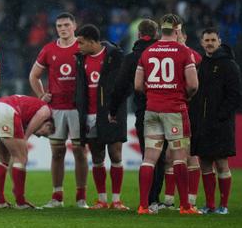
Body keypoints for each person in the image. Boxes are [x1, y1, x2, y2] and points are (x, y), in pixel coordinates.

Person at [134, 14, 199, 215]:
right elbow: (194, 85)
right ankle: (185, 206)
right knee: (180, 157)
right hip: (175, 111)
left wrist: (154, 93)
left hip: (152, 109)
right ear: (178, 30)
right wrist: (184, 96)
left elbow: (137, 85)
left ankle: (143, 206)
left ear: (162, 29)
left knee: (149, 158)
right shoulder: (183, 51)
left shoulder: (148, 51)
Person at [29, 12, 89, 208]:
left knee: (80, 152)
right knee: (57, 153)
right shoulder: (49, 49)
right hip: (56, 109)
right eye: (59, 26)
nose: (62, 29)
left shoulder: (82, 48)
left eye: (66, 25)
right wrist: (41, 95)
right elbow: (34, 76)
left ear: (74, 26)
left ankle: (81, 197)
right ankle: (57, 197)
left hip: (78, 109)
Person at [109, 19, 163, 209]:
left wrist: (113, 109)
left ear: (139, 35)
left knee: (149, 157)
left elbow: (121, 86)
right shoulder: (165, 54)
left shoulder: (133, 58)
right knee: (168, 158)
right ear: (157, 34)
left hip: (145, 112)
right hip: (172, 110)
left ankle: (148, 201)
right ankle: (163, 199)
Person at [74, 24, 129, 210]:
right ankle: (102, 199)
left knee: (115, 154)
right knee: (97, 156)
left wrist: (115, 109)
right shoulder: (81, 59)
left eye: (81, 43)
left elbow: (125, 85)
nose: (78, 47)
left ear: (91, 41)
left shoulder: (115, 56)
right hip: (89, 115)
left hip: (112, 114)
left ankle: (116, 200)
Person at [190, 28, 242, 214]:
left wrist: (220, 116)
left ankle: (224, 205)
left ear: (219, 41)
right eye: (207, 40)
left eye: (213, 39)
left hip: (220, 124)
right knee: (204, 163)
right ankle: (210, 205)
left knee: (221, 163)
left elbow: (235, 96)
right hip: (202, 124)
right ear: (202, 42)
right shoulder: (200, 64)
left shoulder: (229, 65)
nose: (210, 43)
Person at [162, 28, 203, 210]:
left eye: (179, 35)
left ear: (185, 37)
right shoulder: (170, 56)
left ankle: (191, 200)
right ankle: (170, 200)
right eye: (174, 34)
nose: (176, 37)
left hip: (190, 110)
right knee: (171, 155)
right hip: (172, 110)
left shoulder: (192, 55)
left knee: (191, 154)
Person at [0, 95, 55, 209]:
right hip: (7, 111)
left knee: (2, 158)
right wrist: (26, 138)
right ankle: (20, 202)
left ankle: (0, 201)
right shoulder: (47, 111)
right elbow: (41, 115)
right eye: (45, 133)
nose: (40, 136)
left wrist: (16, 185)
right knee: (21, 157)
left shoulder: (30, 111)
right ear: (48, 124)